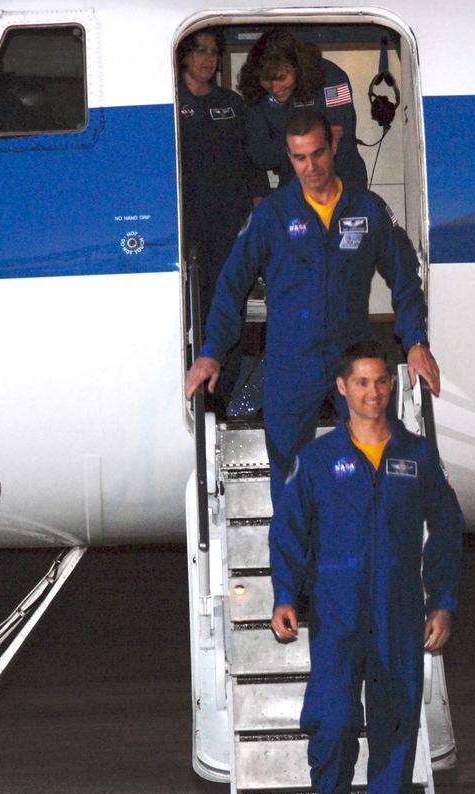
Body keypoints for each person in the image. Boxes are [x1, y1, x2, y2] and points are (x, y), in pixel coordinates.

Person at [269, 341, 464, 794]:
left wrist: (442, 601)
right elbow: (288, 530)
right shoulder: (316, 459)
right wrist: (285, 595)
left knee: (394, 739)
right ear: (341, 387)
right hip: (336, 618)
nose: (373, 393)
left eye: (381, 382)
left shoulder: (418, 456)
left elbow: (447, 528)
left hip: (399, 617)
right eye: (361, 383)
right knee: (331, 722)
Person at [185, 108, 441, 507]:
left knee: (372, 465)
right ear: (289, 157)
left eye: (317, 154)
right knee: (288, 478)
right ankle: (295, 565)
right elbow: (231, 284)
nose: (310, 167)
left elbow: (405, 278)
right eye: (299, 158)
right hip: (291, 361)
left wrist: (416, 341)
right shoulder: (271, 215)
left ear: (334, 145)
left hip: (353, 358)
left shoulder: (367, 209)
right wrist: (212, 353)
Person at [175, 28, 263, 407]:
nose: (207, 60)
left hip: (228, 223)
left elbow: (252, 160)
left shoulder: (231, 103)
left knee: (227, 307)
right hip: (181, 225)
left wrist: (259, 206)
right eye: (199, 51)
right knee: (182, 312)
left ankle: (221, 397)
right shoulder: (167, 100)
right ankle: (185, 392)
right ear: (184, 57)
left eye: (213, 52)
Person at [238, 28, 368, 194]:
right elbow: (260, 155)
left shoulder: (331, 77)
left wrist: (285, 145)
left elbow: (340, 140)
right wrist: (313, 140)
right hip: (293, 186)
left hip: (343, 180)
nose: (275, 88)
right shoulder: (256, 89)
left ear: (298, 68)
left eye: (281, 78)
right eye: (267, 80)